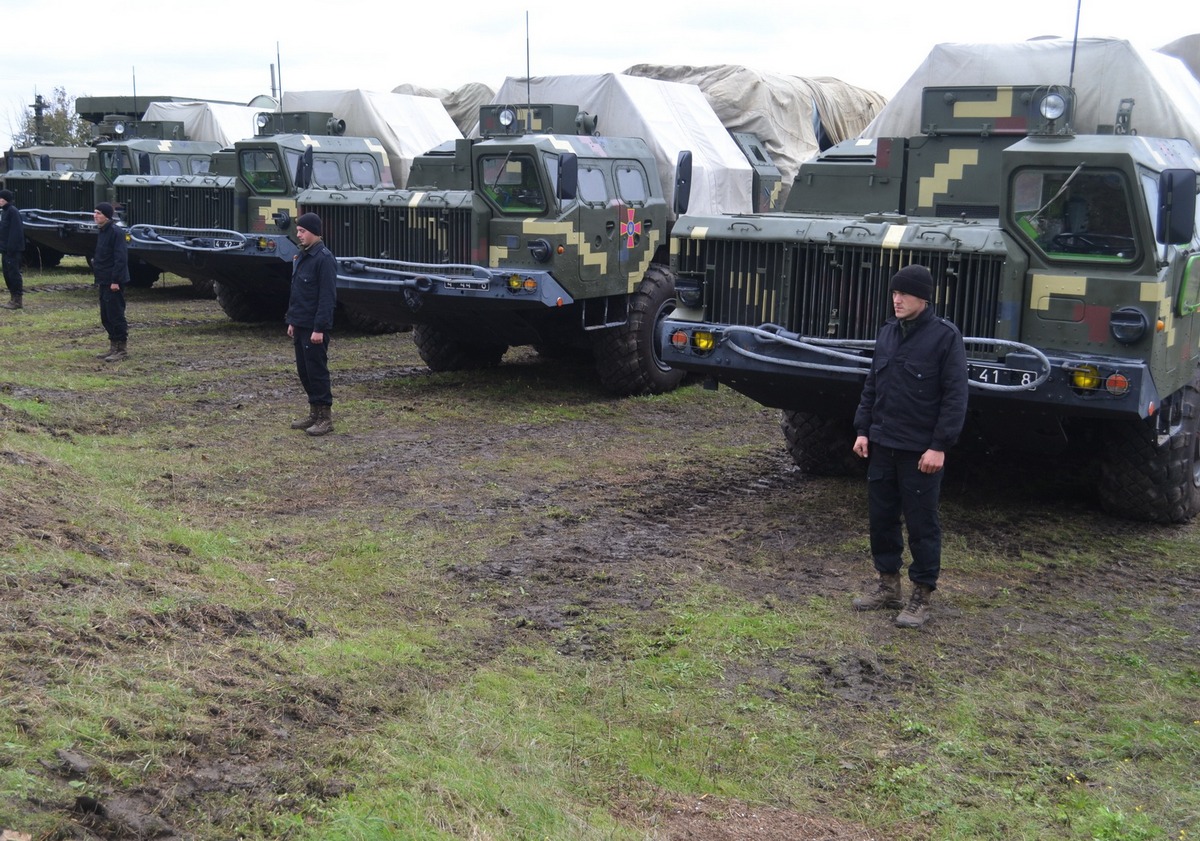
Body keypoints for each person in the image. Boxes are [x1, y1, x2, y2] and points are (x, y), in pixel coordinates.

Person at [850, 264, 968, 628]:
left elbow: (955, 396)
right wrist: (863, 429)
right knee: (881, 520)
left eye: (904, 294)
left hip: (921, 452)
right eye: (894, 293)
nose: (897, 300)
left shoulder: (945, 337)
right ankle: (887, 584)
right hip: (882, 443)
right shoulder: (888, 332)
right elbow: (873, 384)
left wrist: (939, 446)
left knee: (922, 523)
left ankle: (921, 594)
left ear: (924, 297)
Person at [285, 212, 337, 436]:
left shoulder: (323, 259)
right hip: (301, 323)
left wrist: (319, 328)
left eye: (302, 231)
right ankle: (313, 413)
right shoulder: (301, 256)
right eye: (298, 231)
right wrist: (292, 321)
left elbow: (327, 298)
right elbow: (297, 292)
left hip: (315, 327)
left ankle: (325, 417)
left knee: (316, 371)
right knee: (304, 371)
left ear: (314, 232)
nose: (299, 235)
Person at [92, 202, 129, 362]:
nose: (95, 216)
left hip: (113, 281)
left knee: (116, 315)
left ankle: (121, 349)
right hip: (103, 280)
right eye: (95, 213)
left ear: (106, 215)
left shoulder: (116, 232)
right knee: (106, 316)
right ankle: (113, 346)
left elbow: (120, 258)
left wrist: (115, 281)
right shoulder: (102, 231)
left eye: (98, 213)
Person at [0, 189, 24, 310]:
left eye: (1, 198)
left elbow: (15, 232)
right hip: (5, 250)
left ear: (5, 199)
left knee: (14, 274)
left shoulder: (12, 212)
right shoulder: (5, 212)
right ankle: (12, 298)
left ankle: (17, 300)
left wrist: (11, 248)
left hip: (12, 251)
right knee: (7, 274)